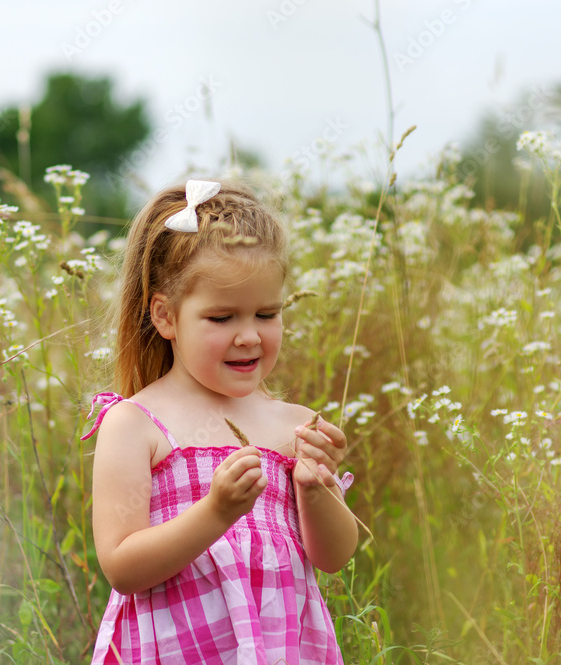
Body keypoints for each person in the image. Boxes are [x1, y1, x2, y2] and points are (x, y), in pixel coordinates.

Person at [83, 179, 357, 664]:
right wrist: (217, 512)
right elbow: (121, 566)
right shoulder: (134, 423)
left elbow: (333, 557)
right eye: (222, 318)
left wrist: (317, 489)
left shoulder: (294, 425)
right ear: (165, 317)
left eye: (266, 313)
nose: (249, 336)